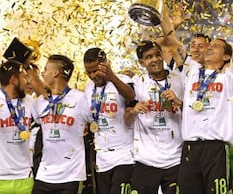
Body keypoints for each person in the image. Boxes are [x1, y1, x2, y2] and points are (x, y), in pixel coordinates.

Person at [176, 0, 233, 194]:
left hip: (216, 149)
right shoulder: (192, 71)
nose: (209, 48)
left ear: (225, 56)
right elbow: (172, 43)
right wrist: (164, 16)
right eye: (209, 45)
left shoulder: (229, 78)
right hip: (189, 147)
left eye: (215, 46)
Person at [125, 40, 183, 194]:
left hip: (175, 158)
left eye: (158, 54)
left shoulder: (179, 79)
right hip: (146, 159)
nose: (155, 59)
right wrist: (134, 110)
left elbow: (193, 111)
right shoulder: (137, 83)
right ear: (141, 62)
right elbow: (126, 118)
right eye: (149, 57)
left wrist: (178, 101)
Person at [31, 55, 90, 194]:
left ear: (56, 73)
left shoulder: (80, 99)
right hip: (44, 174)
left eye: (45, 70)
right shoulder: (40, 101)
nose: (43, 74)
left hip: (71, 175)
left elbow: (94, 122)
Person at [83, 48, 135, 194]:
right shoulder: (88, 89)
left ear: (104, 65)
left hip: (125, 154)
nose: (93, 76)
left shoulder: (123, 80)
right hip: (102, 157)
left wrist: (112, 76)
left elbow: (131, 96)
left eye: (95, 71)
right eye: (89, 72)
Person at [0, 60, 34, 194]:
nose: (28, 82)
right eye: (24, 77)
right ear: (14, 79)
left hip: (25, 177)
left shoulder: (30, 102)